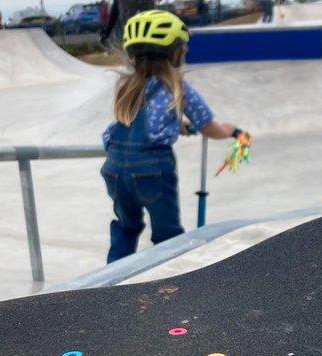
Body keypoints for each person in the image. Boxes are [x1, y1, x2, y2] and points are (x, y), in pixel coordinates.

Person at [101, 10, 247, 262]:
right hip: (152, 172)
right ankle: (168, 284)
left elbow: (133, 121)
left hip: (114, 170)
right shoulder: (178, 87)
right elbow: (208, 126)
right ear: (175, 52)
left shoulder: (126, 86)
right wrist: (230, 130)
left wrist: (175, 125)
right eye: (183, 47)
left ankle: (110, 281)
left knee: (126, 226)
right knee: (167, 236)